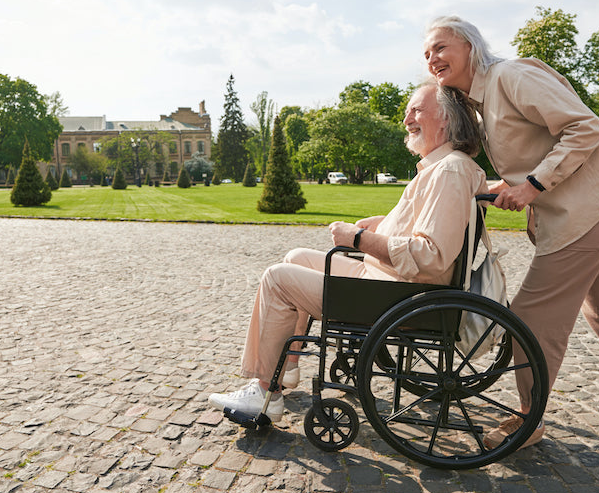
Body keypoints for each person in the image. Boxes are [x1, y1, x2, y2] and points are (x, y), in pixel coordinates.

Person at [422, 16, 599, 460]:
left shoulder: (511, 76)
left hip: (587, 212)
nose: (433, 58)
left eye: (440, 47)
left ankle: (529, 418)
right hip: (588, 212)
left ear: (470, 45)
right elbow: (531, 156)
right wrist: (493, 188)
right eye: (427, 54)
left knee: (528, 319)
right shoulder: (483, 102)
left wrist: (533, 186)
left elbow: (585, 127)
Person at [209, 82, 488, 421]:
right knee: (297, 257)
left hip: (400, 296)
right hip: (392, 283)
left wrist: (357, 239)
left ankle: (266, 391)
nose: (406, 120)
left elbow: (430, 255)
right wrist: (383, 223)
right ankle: (288, 367)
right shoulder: (443, 168)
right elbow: (432, 224)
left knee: (278, 279)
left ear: (444, 118)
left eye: (416, 110)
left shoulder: (449, 170)